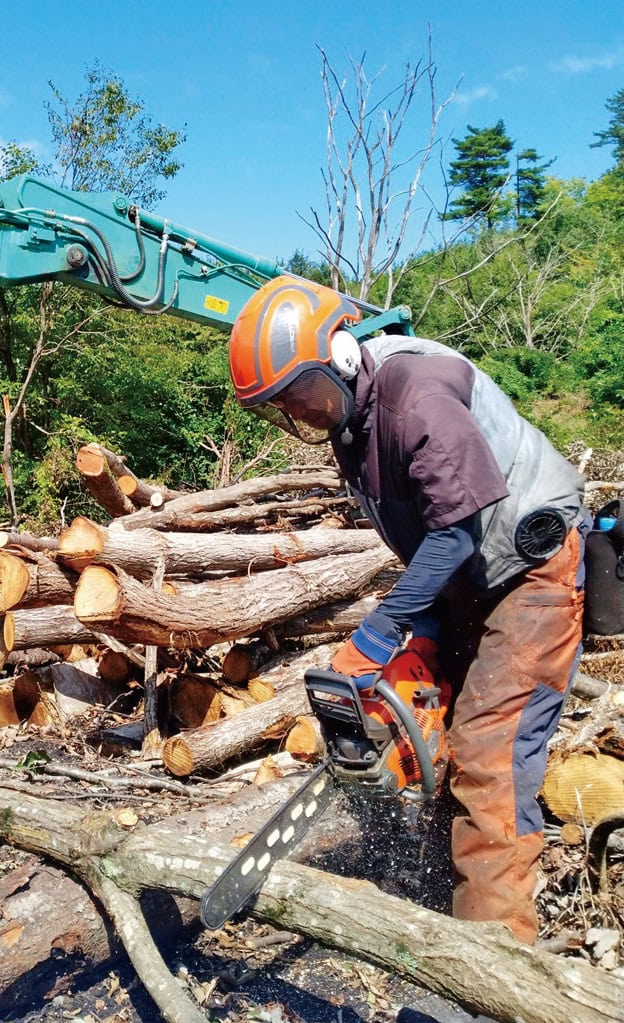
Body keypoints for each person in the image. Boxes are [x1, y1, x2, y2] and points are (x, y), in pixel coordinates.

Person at [228, 274, 589, 945]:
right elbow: (430, 533)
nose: (303, 413)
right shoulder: (351, 423)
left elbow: (457, 528)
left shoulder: (414, 396)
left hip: (532, 570)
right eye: (286, 406)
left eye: (304, 394)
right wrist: (418, 632)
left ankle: (494, 957)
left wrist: (383, 628)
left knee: (490, 751)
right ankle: (442, 902)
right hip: (469, 575)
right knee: (435, 724)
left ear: (340, 355)